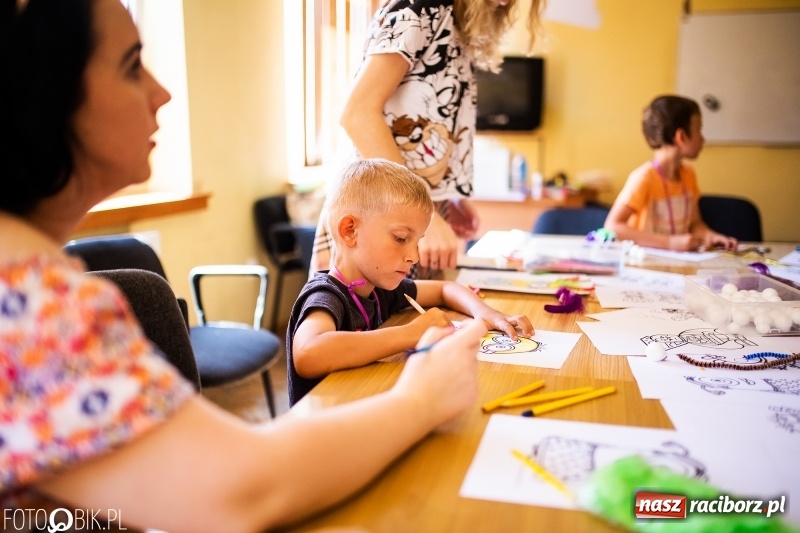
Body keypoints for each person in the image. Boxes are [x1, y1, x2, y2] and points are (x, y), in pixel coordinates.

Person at [0, 1, 487, 531]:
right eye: (131, 64)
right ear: (39, 91)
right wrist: (422, 398)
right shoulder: (26, 300)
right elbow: (238, 489)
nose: (162, 93)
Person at [310, 0, 546, 279]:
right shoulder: (422, 7)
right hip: (382, 211)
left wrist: (449, 195)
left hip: (411, 207)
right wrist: (426, 212)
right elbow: (357, 114)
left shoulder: (454, 21)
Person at [288, 159, 535, 405]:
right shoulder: (326, 296)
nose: (414, 257)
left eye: (417, 242)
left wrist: (487, 314)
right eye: (400, 238)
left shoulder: (377, 288)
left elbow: (445, 289)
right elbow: (308, 353)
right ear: (350, 230)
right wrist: (411, 333)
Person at [604, 95, 738, 252]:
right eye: (699, 130)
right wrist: (669, 242)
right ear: (681, 137)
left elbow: (695, 224)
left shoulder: (688, 175)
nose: (703, 139)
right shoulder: (644, 178)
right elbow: (613, 226)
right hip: (646, 263)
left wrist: (711, 236)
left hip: (679, 263)